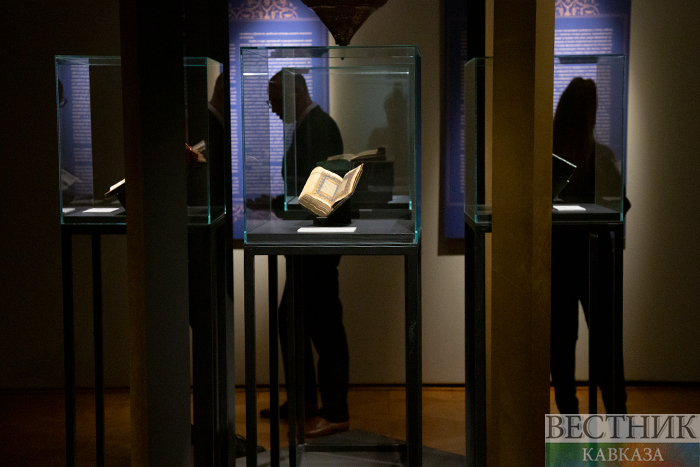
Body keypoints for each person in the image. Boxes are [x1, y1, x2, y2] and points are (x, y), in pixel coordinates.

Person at [261, 70, 351, 438]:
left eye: (274, 101)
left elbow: (320, 196)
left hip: (317, 245)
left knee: (325, 329)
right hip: (310, 243)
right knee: (293, 321)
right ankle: (306, 401)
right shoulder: (312, 126)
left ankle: (335, 411)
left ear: (294, 94)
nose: (272, 109)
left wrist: (276, 205)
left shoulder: (318, 127)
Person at [550, 77, 628, 415]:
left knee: (562, 344)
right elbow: (619, 206)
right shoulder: (601, 157)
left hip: (561, 259)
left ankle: (569, 418)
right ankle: (616, 416)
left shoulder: (551, 159)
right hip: (594, 259)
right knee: (605, 344)